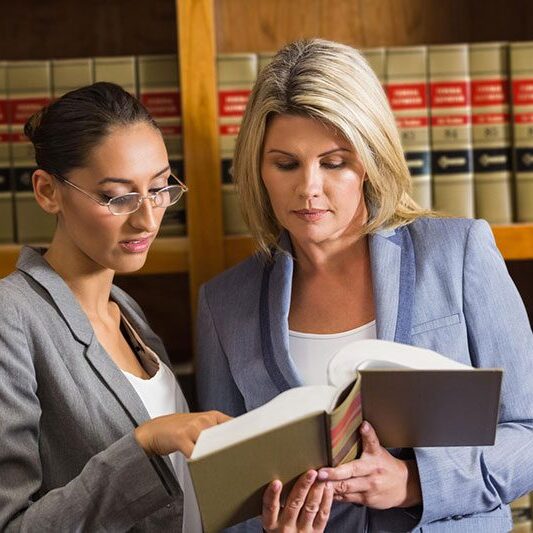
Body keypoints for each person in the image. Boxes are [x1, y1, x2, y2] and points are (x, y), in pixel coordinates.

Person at [195, 39, 533, 532]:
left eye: (334, 163)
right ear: (257, 169)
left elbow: (528, 430)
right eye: (285, 164)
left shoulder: (458, 253)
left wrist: (413, 482)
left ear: (370, 160)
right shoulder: (224, 303)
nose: (308, 187)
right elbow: (222, 491)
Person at [0, 82, 333, 532]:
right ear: (46, 191)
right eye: (118, 197)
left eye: (159, 188)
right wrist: (143, 445)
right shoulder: (12, 317)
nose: (148, 218)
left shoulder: (128, 313)